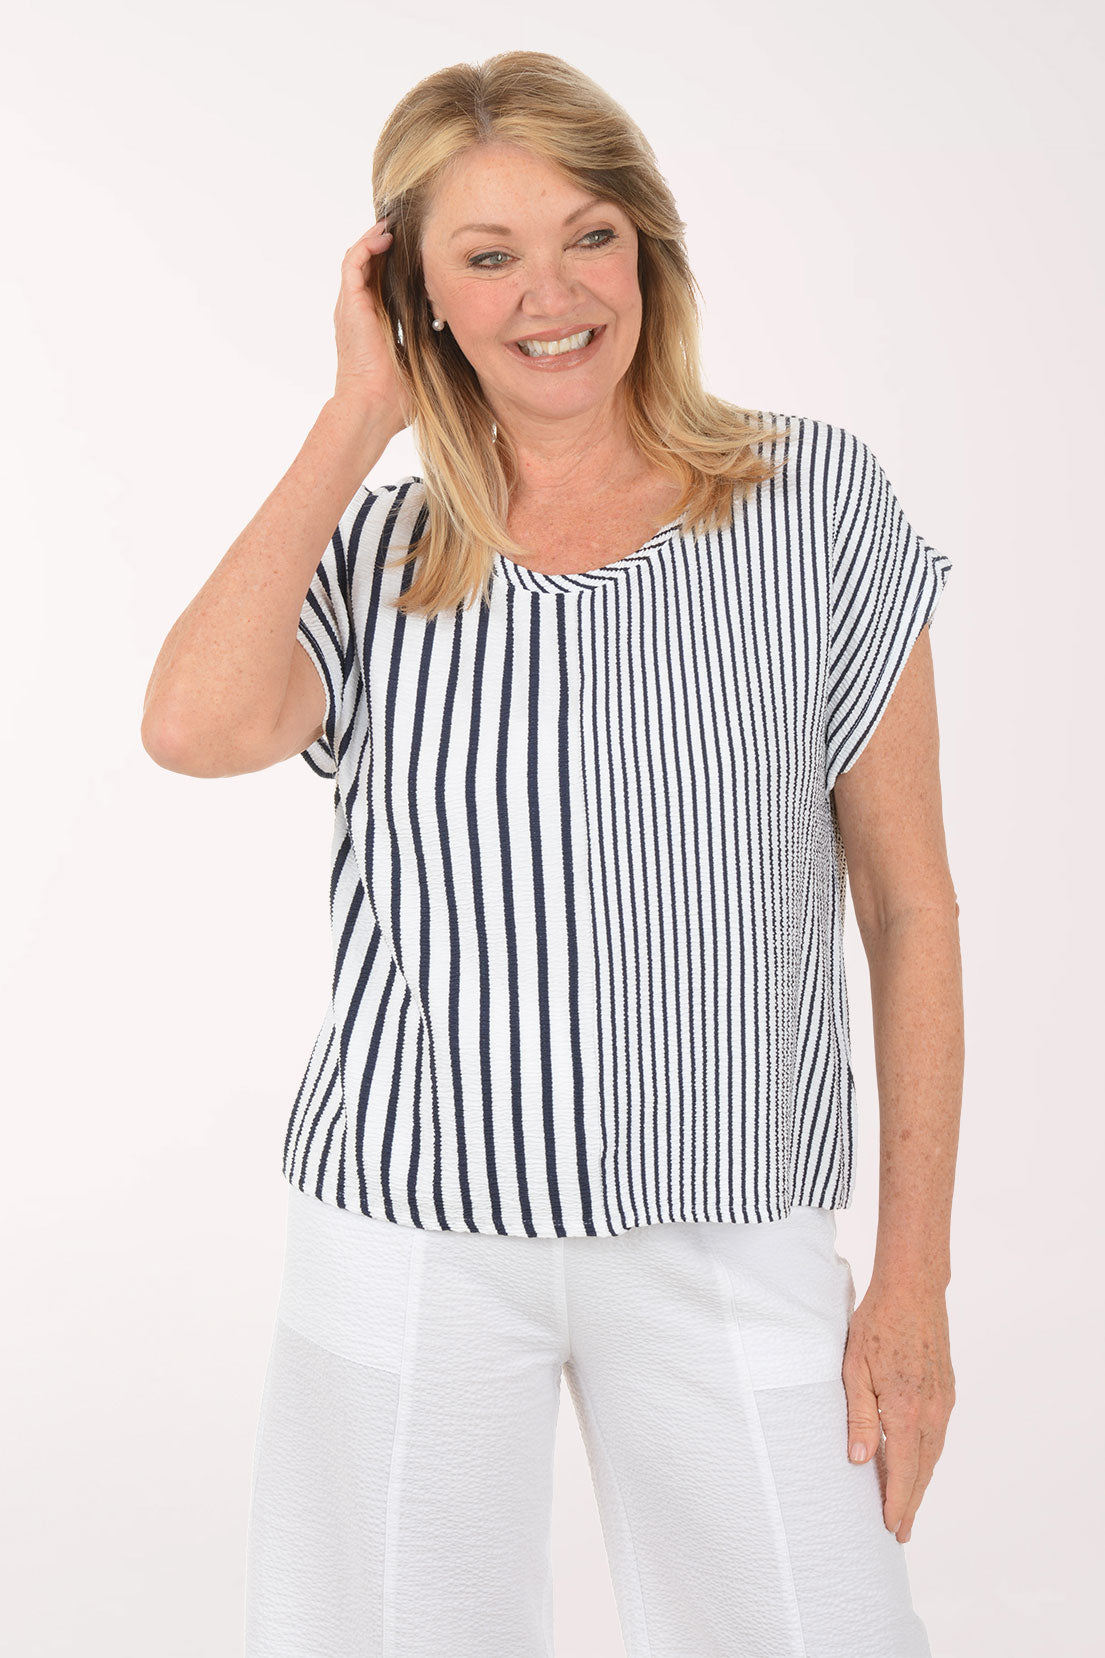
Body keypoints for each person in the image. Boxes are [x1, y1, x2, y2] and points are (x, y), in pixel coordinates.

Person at [141, 49, 962, 1658]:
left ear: (647, 247)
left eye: (587, 235)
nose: (549, 295)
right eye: (485, 257)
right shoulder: (377, 549)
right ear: (414, 293)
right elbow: (190, 722)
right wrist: (353, 415)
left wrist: (911, 1281)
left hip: (728, 1219)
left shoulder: (813, 506)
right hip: (415, 1226)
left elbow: (910, 902)